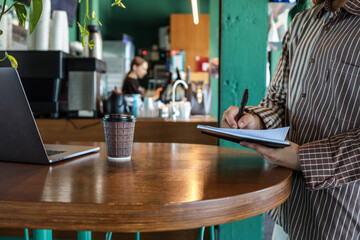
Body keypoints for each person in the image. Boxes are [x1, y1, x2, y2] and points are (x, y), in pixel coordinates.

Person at [222, 0, 360, 239]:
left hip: (342, 217)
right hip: (290, 209)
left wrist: (302, 157)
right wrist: (255, 121)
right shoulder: (301, 23)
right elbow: (277, 99)